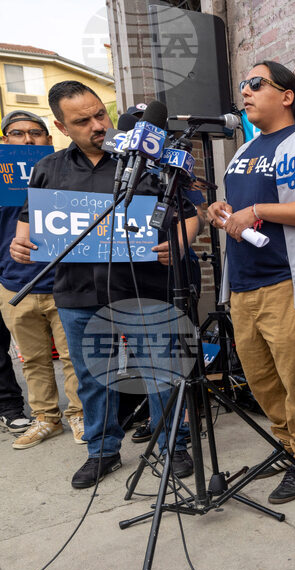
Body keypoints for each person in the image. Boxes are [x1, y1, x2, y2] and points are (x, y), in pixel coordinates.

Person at [9, 81, 200, 488]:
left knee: (162, 371)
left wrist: (180, 242)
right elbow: (26, 227)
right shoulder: (49, 169)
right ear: (62, 127)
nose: (98, 124)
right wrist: (20, 245)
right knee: (92, 376)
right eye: (83, 120)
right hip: (78, 295)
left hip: (147, 289)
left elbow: (189, 214)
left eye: (100, 113)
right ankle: (102, 451)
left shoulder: (148, 161)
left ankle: (174, 445)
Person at [208, 61, 295, 504]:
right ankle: (287, 445)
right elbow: (241, 207)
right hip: (243, 285)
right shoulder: (243, 150)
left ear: (286, 96)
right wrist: (223, 209)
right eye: (244, 84)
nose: (245, 91)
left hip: (288, 281)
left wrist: (259, 210)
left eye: (256, 84)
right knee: (262, 380)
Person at [0, 110, 85, 449]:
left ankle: (79, 415)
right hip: (14, 284)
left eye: (35, 133)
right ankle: (46, 418)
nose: (27, 139)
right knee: (32, 358)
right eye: (17, 134)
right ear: (6, 140)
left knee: (73, 356)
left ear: (49, 139)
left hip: (63, 281)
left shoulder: (65, 172)